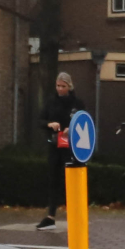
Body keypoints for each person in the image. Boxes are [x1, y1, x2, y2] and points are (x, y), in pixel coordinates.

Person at [34, 69, 84, 231]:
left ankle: (76, 214)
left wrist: (72, 127)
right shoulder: (51, 102)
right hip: (55, 145)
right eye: (58, 86)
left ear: (69, 86)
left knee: (71, 179)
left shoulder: (77, 103)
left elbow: (85, 121)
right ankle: (50, 216)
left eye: (63, 86)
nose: (60, 89)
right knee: (53, 179)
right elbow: (41, 120)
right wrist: (50, 124)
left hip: (72, 147)